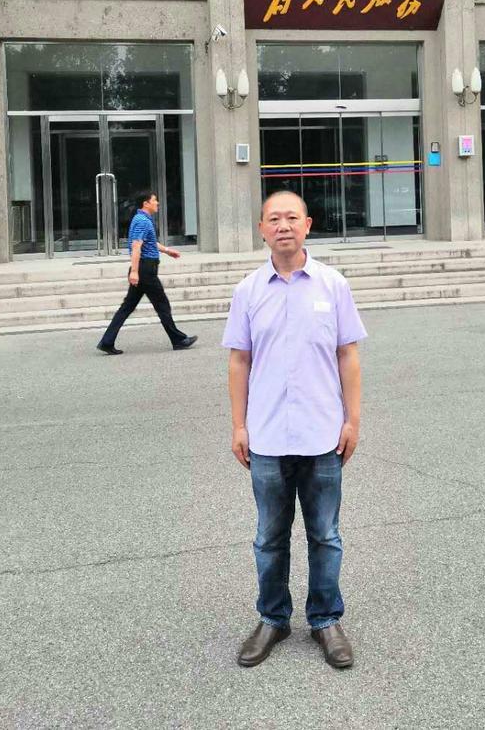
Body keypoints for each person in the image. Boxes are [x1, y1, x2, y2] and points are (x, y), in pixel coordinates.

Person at [222, 190, 366, 670]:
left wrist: (352, 419)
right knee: (269, 537)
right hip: (266, 436)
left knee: (325, 535)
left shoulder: (333, 285)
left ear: (308, 225)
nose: (283, 226)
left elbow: (348, 354)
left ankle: (325, 619)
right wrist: (239, 425)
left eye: (291, 218)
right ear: (262, 230)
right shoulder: (248, 291)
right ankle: (273, 618)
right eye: (273, 219)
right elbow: (239, 361)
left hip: (322, 435)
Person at [96, 190, 197, 356]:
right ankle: (178, 340)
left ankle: (107, 342)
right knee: (162, 305)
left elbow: (150, 242)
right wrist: (134, 271)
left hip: (144, 268)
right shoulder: (142, 221)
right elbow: (136, 245)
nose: (157, 203)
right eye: (154, 200)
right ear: (146, 203)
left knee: (127, 307)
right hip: (145, 270)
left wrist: (167, 251)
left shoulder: (142, 219)